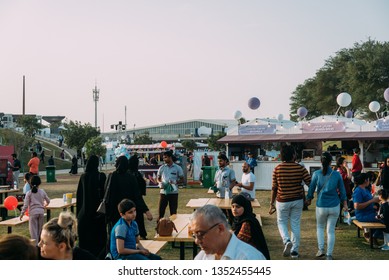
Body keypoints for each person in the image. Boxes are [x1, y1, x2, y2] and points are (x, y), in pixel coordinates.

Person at [269, 145, 311, 259]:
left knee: (281, 222)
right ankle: (294, 251)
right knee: (295, 224)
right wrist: (309, 198)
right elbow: (309, 183)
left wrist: (271, 203)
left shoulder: (277, 169)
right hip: (297, 200)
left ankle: (286, 240)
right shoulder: (300, 168)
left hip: (282, 200)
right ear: (294, 155)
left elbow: (274, 188)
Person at [306, 152, 348, 260]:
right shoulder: (336, 174)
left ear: (321, 161)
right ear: (331, 162)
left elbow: (311, 189)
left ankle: (321, 250)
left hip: (321, 205)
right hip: (334, 205)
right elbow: (342, 191)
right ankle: (329, 254)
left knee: (320, 227)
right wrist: (345, 203)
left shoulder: (316, 174)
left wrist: (309, 198)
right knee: (330, 231)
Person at [190, 204, 266, 260]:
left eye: (200, 234)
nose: (197, 241)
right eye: (194, 235)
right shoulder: (202, 257)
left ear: (220, 229)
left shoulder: (249, 258)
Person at [105, 155, 149, 235]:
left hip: (114, 210)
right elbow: (137, 195)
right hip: (127, 208)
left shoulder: (112, 176)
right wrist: (146, 210)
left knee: (114, 232)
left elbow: (106, 192)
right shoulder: (131, 177)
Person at [76, 155, 107, 259]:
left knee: (85, 243)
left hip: (84, 215)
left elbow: (80, 196)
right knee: (99, 242)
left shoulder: (84, 177)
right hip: (98, 214)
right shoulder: (101, 176)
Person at [231, 194, 270, 259]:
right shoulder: (238, 220)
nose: (234, 209)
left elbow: (238, 242)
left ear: (245, 207)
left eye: (238, 207)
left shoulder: (247, 222)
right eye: (232, 206)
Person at [20, 175, 50, 245]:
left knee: (33, 232)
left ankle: (35, 247)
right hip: (41, 212)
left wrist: (22, 214)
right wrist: (44, 206)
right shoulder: (42, 191)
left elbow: (26, 205)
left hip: (33, 213)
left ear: (30, 183)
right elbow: (48, 201)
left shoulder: (29, 193)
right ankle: (41, 245)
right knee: (40, 231)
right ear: (39, 183)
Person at [128, 155, 153, 239]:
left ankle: (140, 235)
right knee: (138, 219)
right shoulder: (134, 175)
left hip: (130, 202)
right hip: (135, 201)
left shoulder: (130, 173)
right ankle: (141, 235)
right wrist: (146, 210)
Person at [353, 173, 382, 244]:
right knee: (384, 218)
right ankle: (374, 235)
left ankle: (373, 235)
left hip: (370, 212)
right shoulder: (358, 191)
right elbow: (357, 206)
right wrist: (371, 201)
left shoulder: (365, 189)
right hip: (363, 215)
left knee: (383, 216)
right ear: (365, 180)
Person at [157, 150, 184, 220]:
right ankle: (159, 229)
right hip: (163, 192)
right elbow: (158, 178)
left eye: (165, 157)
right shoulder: (162, 168)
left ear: (170, 157)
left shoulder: (177, 168)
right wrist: (160, 183)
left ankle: (173, 228)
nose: (164, 159)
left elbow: (182, 179)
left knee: (173, 213)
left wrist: (175, 182)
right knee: (161, 212)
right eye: (163, 157)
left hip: (173, 193)